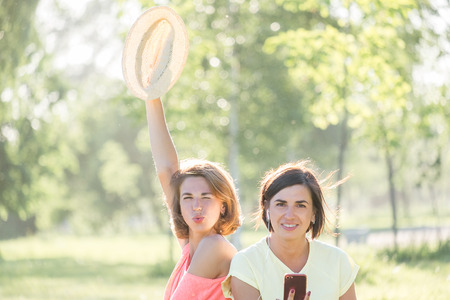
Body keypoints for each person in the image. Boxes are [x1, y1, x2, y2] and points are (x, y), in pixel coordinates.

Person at [145, 97, 242, 300]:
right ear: (179, 205)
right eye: (188, 198)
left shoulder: (214, 247)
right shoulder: (191, 247)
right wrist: (152, 96)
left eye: (206, 197)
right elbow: (166, 169)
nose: (196, 206)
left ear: (223, 206)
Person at [222, 161, 359, 300]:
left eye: (300, 205)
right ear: (267, 209)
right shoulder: (246, 263)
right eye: (281, 204)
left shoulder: (338, 261)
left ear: (314, 213)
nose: (289, 215)